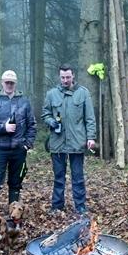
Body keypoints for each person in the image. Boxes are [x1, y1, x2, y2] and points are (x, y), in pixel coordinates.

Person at [41, 66, 96, 214]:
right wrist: (51, 121)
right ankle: (57, 206)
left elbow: (89, 118)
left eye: (68, 77)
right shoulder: (52, 94)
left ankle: (80, 206)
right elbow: (45, 113)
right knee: (58, 177)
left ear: (73, 76)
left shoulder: (83, 93)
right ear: (59, 77)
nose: (65, 80)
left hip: (77, 141)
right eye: (63, 77)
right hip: (57, 142)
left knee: (77, 177)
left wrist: (91, 137)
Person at [0, 70, 37, 215]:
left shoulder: (24, 102)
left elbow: (32, 125)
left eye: (12, 83)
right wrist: (3, 128)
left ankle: (13, 213)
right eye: (7, 82)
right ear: (2, 83)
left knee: (16, 182)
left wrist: (27, 144)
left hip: (19, 150)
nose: (9, 85)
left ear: (15, 83)